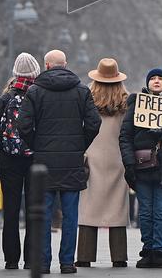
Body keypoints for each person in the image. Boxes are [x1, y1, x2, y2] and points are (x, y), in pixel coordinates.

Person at [18, 49, 101, 274]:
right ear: (66, 64)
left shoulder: (35, 91)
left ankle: (44, 263)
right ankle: (67, 262)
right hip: (72, 159)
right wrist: (80, 144)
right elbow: (94, 123)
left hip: (43, 161)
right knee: (70, 214)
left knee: (43, 214)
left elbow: (23, 125)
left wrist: (36, 144)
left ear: (46, 65)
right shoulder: (81, 90)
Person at [120, 68, 162, 268]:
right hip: (142, 166)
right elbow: (125, 136)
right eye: (152, 78)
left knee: (161, 210)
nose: (156, 81)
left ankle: (160, 250)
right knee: (145, 211)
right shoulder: (137, 104)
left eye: (160, 78)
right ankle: (148, 250)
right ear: (147, 83)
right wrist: (129, 163)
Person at [76, 58, 130, 268]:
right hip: (117, 158)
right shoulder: (126, 103)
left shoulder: (87, 100)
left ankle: (84, 256)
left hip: (92, 157)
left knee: (89, 208)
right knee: (117, 209)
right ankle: (119, 256)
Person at [0, 53, 40, 270]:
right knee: (33, 210)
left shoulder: (3, 100)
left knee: (10, 210)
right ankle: (31, 258)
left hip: (9, 160)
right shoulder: (39, 97)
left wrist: (0, 149)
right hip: (34, 160)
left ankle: (11, 259)